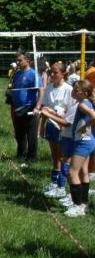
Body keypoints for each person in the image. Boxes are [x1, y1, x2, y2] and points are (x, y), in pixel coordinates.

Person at [38, 63, 73, 196]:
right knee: (54, 154)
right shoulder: (49, 89)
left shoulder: (68, 89)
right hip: (51, 125)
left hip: (61, 125)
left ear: (63, 74)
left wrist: (56, 113)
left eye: (55, 73)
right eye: (51, 72)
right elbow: (44, 108)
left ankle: (61, 184)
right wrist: (41, 126)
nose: (52, 75)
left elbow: (69, 111)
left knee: (62, 155)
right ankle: (54, 181)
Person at [63, 80, 95, 217]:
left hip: (83, 142)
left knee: (72, 173)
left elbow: (94, 116)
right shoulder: (85, 103)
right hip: (87, 141)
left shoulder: (82, 104)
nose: (73, 91)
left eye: (76, 89)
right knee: (83, 172)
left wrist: (84, 127)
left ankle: (77, 206)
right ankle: (84, 204)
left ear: (84, 93)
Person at [11, 51, 44, 168]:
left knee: (31, 134)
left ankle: (32, 158)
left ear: (28, 61)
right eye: (17, 60)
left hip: (30, 107)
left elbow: (41, 90)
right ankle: (21, 154)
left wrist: (37, 107)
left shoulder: (33, 74)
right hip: (18, 107)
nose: (17, 62)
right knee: (19, 133)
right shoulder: (16, 74)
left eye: (20, 60)